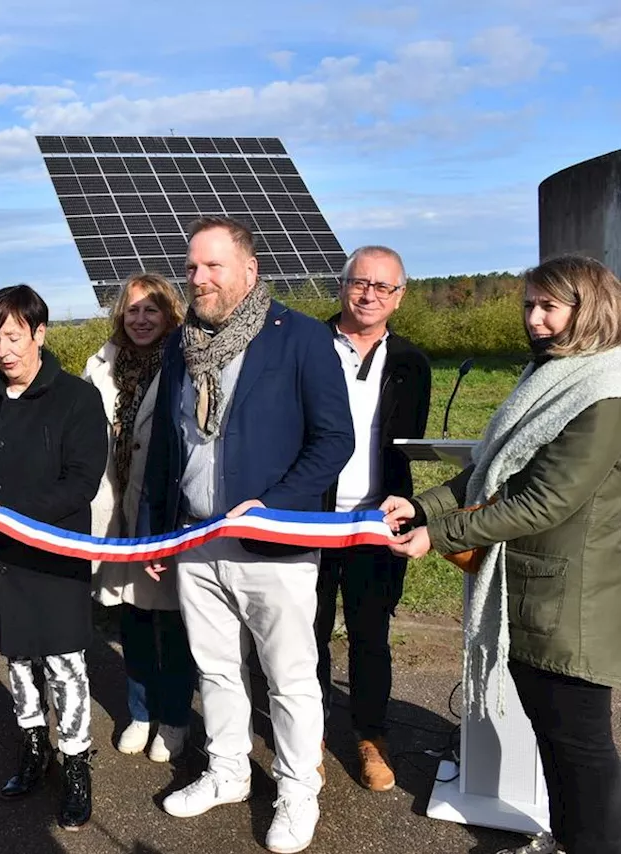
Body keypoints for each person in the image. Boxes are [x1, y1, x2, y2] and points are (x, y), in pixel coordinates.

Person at [385, 255, 622, 854]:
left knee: (580, 747)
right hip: (535, 586)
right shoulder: (551, 375)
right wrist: (422, 506)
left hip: (571, 598)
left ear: (588, 309)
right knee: (558, 737)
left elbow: (543, 501)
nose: (534, 319)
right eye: (528, 305)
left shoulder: (604, 392)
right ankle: (570, 839)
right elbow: (490, 472)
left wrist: (437, 535)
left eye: (549, 306)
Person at [140, 216, 354, 853]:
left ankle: (296, 791)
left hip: (276, 543)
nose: (198, 279)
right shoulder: (182, 346)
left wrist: (271, 507)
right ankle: (228, 770)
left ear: (249, 270)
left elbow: (333, 440)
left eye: (212, 267)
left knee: (289, 676)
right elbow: (166, 452)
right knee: (216, 669)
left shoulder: (302, 339)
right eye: (192, 268)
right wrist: (157, 535)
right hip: (196, 541)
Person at [0, 284, 108, 832]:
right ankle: (33, 748)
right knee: (17, 660)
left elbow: (81, 483)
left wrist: (7, 510)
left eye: (13, 336)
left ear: (40, 333)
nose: (3, 350)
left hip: (52, 557)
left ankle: (76, 762)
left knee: (64, 662)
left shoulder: (77, 400)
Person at [313, 246, 430, 793]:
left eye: (384, 287)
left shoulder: (412, 363)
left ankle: (370, 736)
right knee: (304, 633)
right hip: (310, 518)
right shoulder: (306, 345)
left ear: (400, 297)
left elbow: (403, 448)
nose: (370, 295)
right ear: (343, 286)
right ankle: (307, 732)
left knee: (370, 636)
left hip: (377, 523)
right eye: (361, 283)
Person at [82, 273, 194, 763]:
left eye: (152, 310)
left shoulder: (187, 362)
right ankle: (140, 712)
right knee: (132, 621)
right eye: (132, 310)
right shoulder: (102, 367)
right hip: (118, 513)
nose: (141, 319)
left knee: (172, 624)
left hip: (166, 511)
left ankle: (173, 719)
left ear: (171, 313)